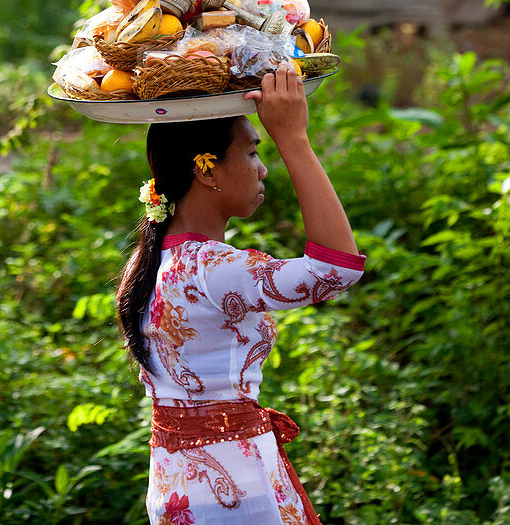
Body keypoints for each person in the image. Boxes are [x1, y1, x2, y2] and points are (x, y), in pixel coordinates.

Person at [117, 64, 365, 524]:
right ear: (207, 170)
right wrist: (295, 140)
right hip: (236, 487)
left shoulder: (149, 260)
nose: (263, 168)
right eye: (252, 153)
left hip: (175, 484)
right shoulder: (212, 268)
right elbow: (336, 268)